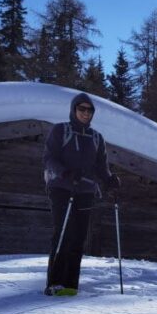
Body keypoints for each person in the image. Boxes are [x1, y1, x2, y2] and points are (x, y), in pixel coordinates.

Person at [42, 92, 120, 296]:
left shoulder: (96, 138)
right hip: (61, 188)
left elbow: (102, 167)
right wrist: (66, 172)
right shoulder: (61, 130)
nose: (85, 113)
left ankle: (70, 284)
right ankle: (54, 283)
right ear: (73, 109)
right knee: (63, 234)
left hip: (86, 191)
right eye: (81, 109)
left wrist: (110, 180)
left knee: (78, 237)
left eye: (89, 110)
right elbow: (50, 158)